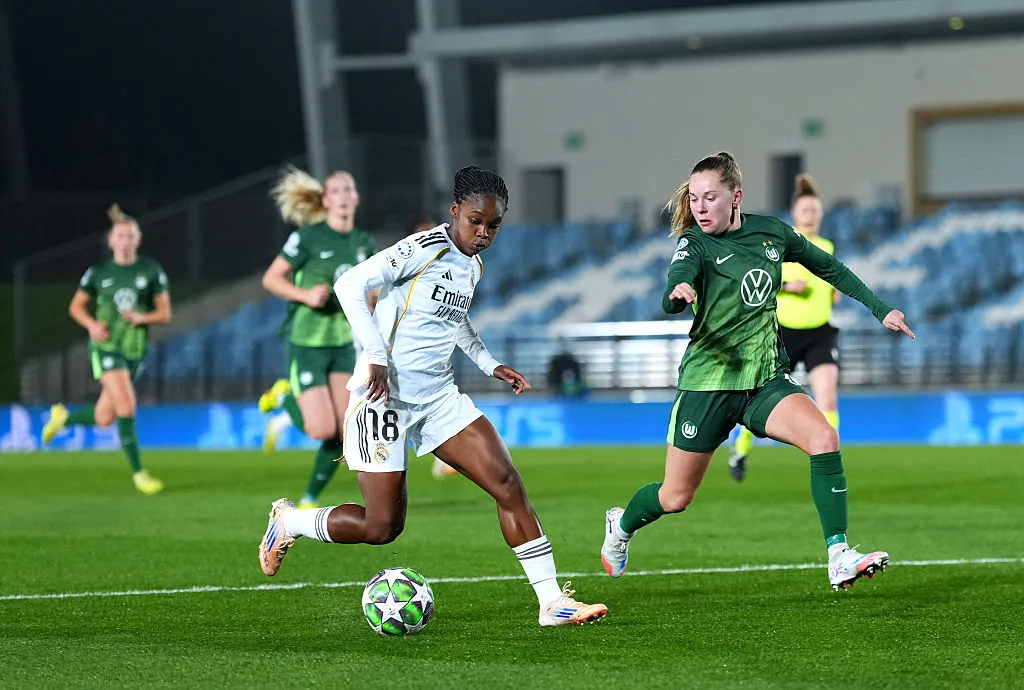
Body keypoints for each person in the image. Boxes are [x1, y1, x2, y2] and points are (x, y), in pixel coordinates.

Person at [258, 166, 608, 626]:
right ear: (455, 211)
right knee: (382, 527)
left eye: (494, 225)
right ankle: (291, 523)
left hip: (440, 397)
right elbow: (350, 284)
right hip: (382, 399)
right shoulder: (423, 248)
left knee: (507, 485)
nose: (483, 233)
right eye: (475, 221)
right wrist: (376, 355)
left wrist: (489, 364)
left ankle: (551, 602)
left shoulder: (473, 265)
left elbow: (455, 318)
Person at [600, 152, 915, 591]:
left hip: (765, 379)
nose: (701, 208)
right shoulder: (694, 244)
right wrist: (678, 294)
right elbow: (673, 287)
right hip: (708, 385)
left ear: (736, 197)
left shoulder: (771, 233)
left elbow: (828, 267)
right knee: (675, 497)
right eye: (694, 199)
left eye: (710, 198)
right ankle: (622, 524)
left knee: (824, 438)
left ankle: (839, 556)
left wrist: (881, 309)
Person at [258, 167, 376, 509]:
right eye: (335, 190)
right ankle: (283, 398)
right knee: (321, 430)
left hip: (341, 343)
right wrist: (305, 294)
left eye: (348, 190)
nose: (342, 196)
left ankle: (309, 500)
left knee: (346, 431)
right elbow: (272, 279)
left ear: (355, 198)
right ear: (326, 200)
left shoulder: (363, 242)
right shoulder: (308, 238)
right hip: (306, 341)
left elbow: (372, 291)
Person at [42, 204, 171, 494]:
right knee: (127, 407)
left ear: (137, 240)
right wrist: (91, 324)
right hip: (106, 346)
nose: (125, 241)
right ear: (111, 241)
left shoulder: (150, 271)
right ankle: (140, 474)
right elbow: (76, 306)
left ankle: (64, 418)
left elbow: (165, 313)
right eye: (120, 236)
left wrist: (143, 317)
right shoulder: (99, 273)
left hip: (134, 349)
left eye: (130, 236)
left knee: (104, 417)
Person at [729, 173, 841, 481]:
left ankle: (830, 459)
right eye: (806, 211)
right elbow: (757, 282)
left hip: (820, 331)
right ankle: (741, 448)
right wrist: (788, 286)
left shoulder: (827, 246)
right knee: (757, 394)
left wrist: (834, 291)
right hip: (783, 332)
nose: (811, 216)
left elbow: (828, 279)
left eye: (816, 211)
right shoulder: (780, 244)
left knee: (828, 397)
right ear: (795, 214)